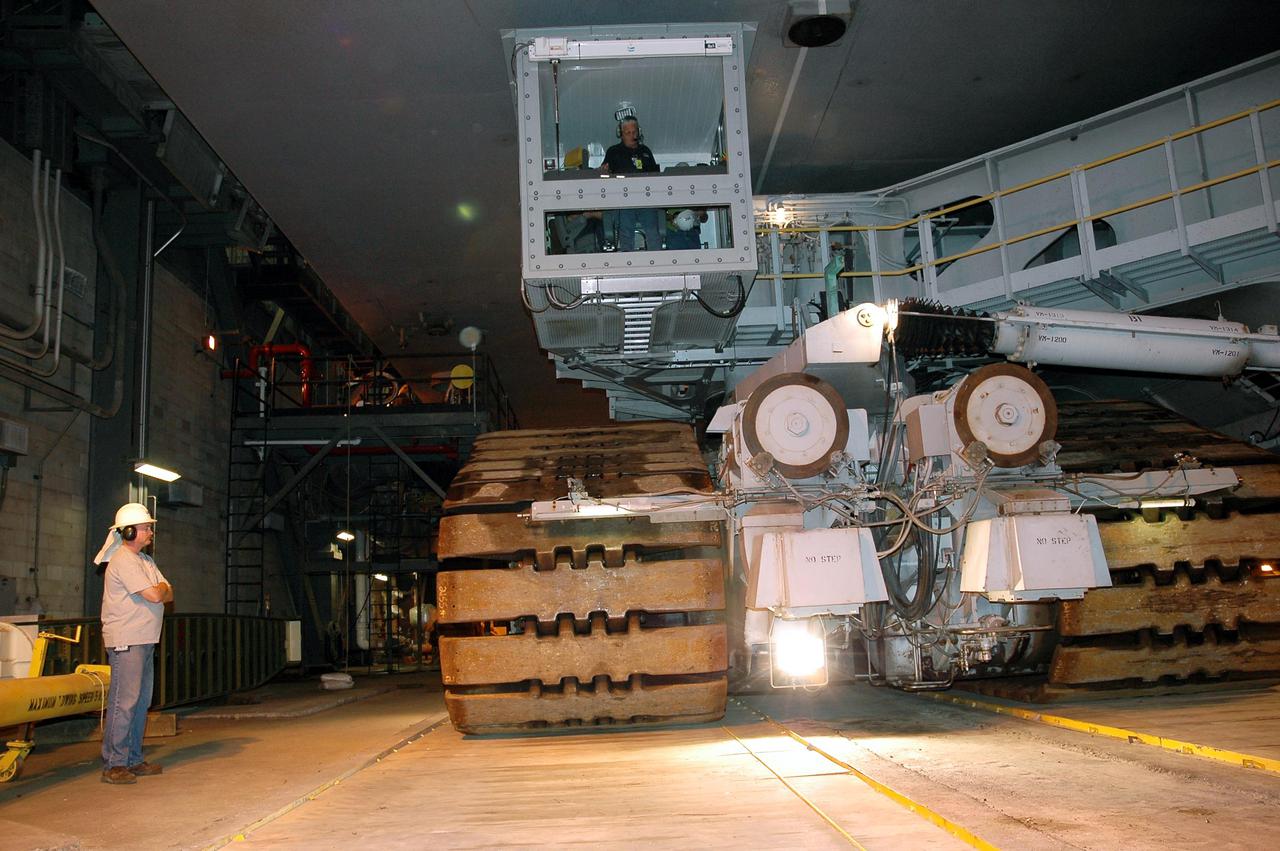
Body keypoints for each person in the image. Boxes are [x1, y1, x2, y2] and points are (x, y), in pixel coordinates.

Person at [93, 502, 173, 785]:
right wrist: (159, 589)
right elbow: (156, 595)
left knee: (140, 701)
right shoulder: (123, 561)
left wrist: (160, 589)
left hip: (145, 638)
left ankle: (133, 758)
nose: (150, 531)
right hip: (127, 640)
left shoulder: (146, 561)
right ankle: (115, 763)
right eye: (146, 527)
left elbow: (169, 591)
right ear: (128, 532)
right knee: (124, 701)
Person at [600, 116, 663, 252]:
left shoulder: (645, 151)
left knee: (653, 231)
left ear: (638, 132)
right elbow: (604, 174)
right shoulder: (613, 152)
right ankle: (627, 258)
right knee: (626, 232)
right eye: (628, 133)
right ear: (621, 134)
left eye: (634, 132)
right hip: (624, 200)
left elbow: (655, 176)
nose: (632, 135)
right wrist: (604, 171)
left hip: (646, 199)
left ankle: (657, 258)